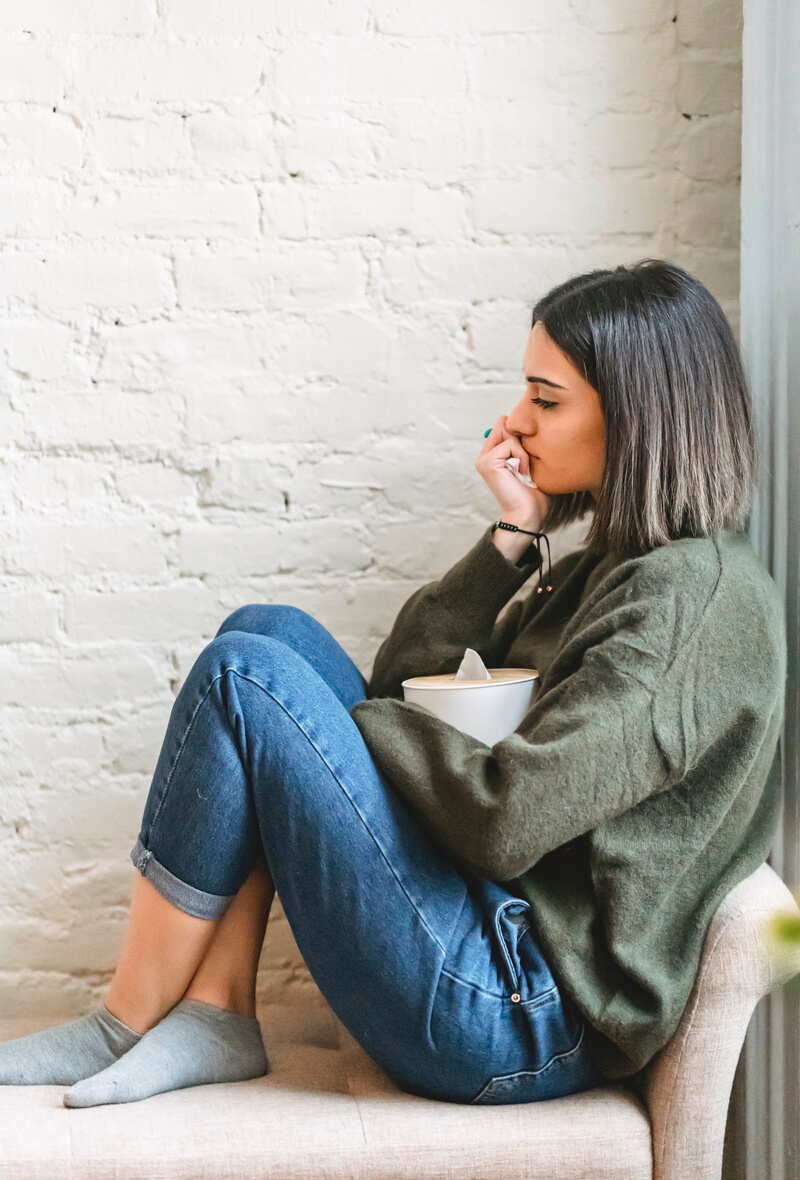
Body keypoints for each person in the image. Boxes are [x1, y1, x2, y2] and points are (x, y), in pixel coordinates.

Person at [0, 260, 785, 1110]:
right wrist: (509, 542)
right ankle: (216, 1007)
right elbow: (400, 683)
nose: (515, 421)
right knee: (267, 633)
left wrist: (344, 726)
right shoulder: (617, 561)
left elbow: (507, 815)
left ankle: (126, 1020)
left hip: (519, 1010)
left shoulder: (687, 605)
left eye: (545, 400)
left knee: (247, 678)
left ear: (636, 419)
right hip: (489, 930)